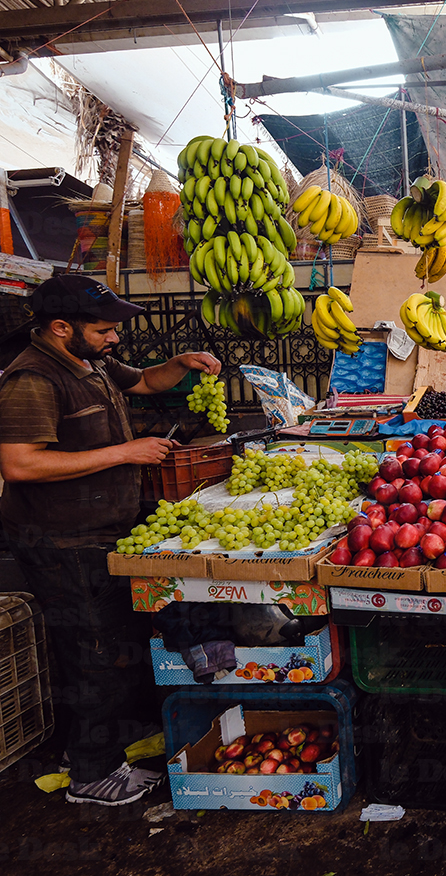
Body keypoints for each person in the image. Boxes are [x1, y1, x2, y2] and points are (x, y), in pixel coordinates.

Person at [0, 275, 221, 806]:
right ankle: (91, 777)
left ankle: (98, 752)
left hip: (103, 532)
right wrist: (124, 453)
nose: (114, 337)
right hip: (62, 542)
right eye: (104, 329)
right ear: (60, 328)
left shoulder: (89, 360)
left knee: (114, 646)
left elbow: (142, 382)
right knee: (94, 655)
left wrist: (181, 364)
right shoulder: (32, 379)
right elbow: (18, 462)